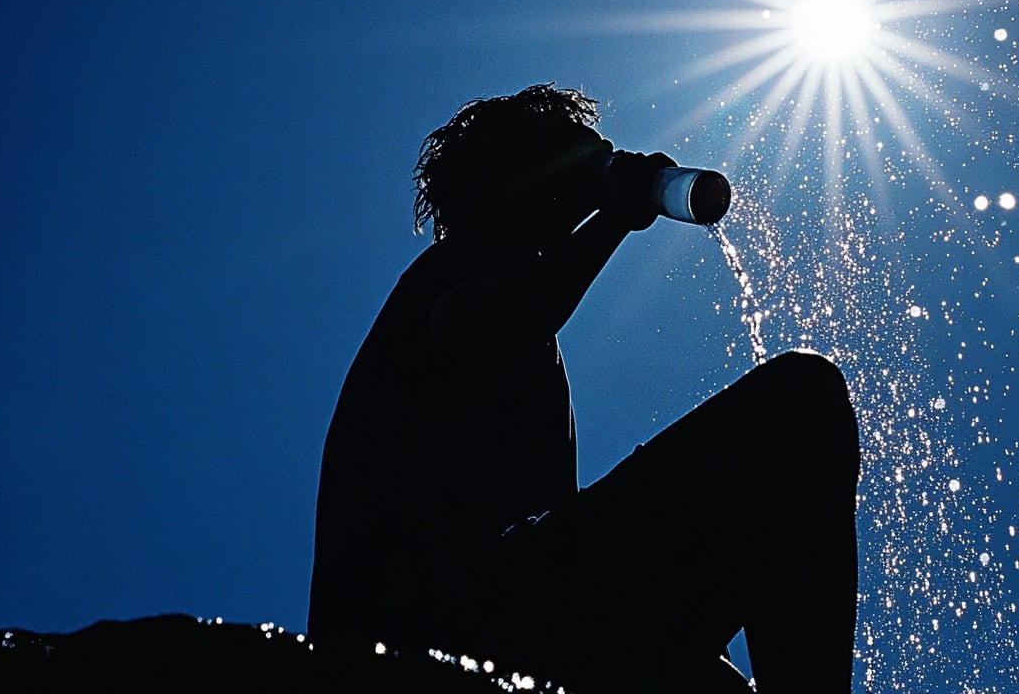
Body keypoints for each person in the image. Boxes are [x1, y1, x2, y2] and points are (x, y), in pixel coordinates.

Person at [308, 84, 859, 693]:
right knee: (797, 403)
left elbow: (583, 560)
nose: (602, 171)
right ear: (517, 175)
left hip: (500, 625)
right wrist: (615, 218)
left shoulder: (522, 341)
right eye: (581, 161)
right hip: (433, 636)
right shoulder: (460, 267)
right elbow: (490, 325)